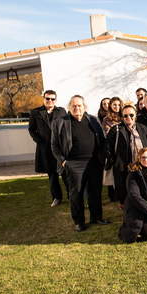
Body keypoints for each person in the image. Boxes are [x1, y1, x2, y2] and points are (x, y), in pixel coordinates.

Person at [51, 95, 108, 231]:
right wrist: (64, 162)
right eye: (74, 106)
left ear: (84, 107)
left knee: (95, 191)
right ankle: (79, 221)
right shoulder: (60, 122)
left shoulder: (93, 120)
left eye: (79, 106)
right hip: (74, 164)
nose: (77, 108)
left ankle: (96, 217)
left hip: (94, 162)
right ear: (69, 108)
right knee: (76, 193)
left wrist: (102, 158)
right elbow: (54, 146)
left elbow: (102, 139)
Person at [103, 104, 147, 207]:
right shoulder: (116, 129)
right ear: (122, 117)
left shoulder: (142, 128)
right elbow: (108, 148)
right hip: (124, 166)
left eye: (131, 115)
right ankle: (125, 205)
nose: (129, 118)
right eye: (125, 116)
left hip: (142, 165)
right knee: (125, 188)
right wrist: (114, 162)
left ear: (136, 115)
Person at [29, 90, 68, 206]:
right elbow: (31, 129)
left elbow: (66, 126)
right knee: (52, 174)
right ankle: (57, 197)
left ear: (55, 100)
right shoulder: (36, 113)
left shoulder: (61, 111)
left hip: (60, 147)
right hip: (45, 148)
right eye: (47, 98)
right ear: (43, 99)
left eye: (52, 99)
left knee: (65, 172)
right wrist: (40, 142)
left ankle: (72, 195)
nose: (50, 101)